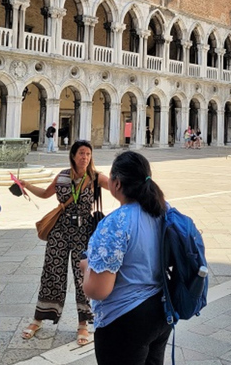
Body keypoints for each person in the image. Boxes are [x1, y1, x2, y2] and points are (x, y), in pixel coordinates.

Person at [80, 151, 171, 365]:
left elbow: (98, 290)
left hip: (125, 319)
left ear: (117, 184)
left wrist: (86, 267)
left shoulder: (116, 223)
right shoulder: (163, 210)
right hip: (161, 310)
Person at [18, 140, 109, 346]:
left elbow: (115, 186)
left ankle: (83, 323)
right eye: (81, 153)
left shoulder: (95, 177)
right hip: (60, 230)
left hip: (84, 233)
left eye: (88, 154)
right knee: (52, 271)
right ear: (73, 156)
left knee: (82, 276)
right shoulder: (62, 176)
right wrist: (26, 185)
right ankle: (38, 319)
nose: (85, 157)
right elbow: (45, 194)